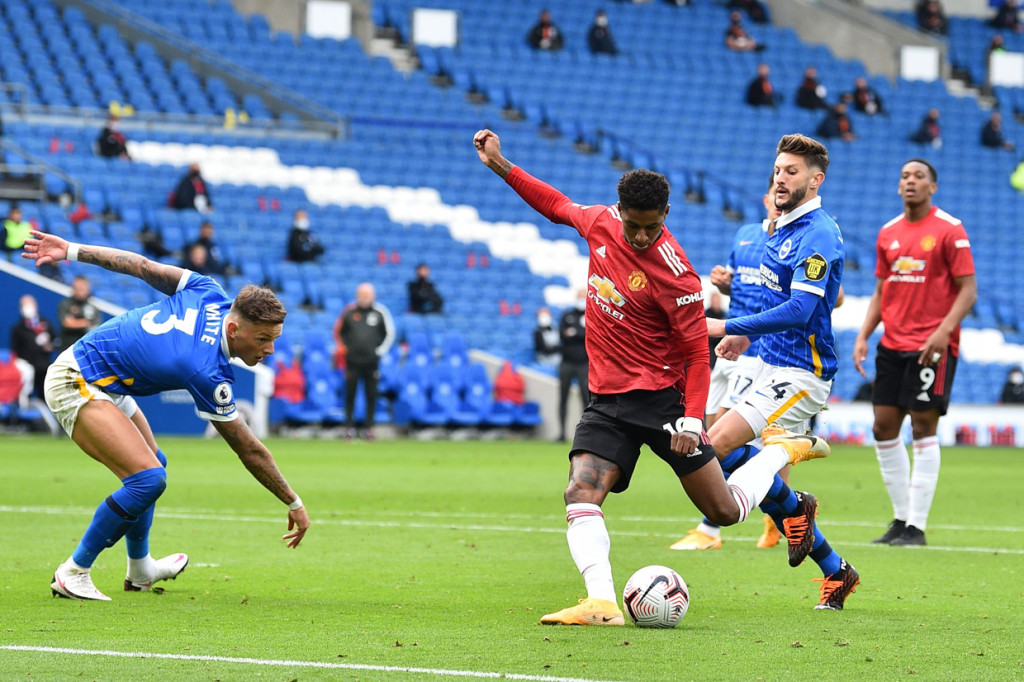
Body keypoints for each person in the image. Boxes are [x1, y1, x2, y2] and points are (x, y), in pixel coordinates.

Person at [474, 127, 832, 625]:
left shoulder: (677, 274)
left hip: (663, 402)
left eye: (651, 227)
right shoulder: (600, 224)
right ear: (619, 213)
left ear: (666, 215)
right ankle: (600, 602)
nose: (641, 237)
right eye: (633, 227)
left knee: (725, 511)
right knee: (580, 491)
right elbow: (554, 203)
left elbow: (694, 353)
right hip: (607, 400)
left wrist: (690, 420)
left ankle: (781, 452)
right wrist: (500, 163)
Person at [20, 230, 309, 601]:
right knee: (148, 479)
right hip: (76, 379)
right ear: (235, 330)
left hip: (104, 379)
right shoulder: (204, 369)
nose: (270, 349)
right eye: (263, 340)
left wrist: (72, 250)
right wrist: (293, 501)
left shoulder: (208, 290)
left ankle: (140, 569)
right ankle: (73, 571)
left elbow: (141, 265)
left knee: (154, 463)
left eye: (274, 340)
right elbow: (249, 449)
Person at [706, 134, 859, 610]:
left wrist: (726, 324)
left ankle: (796, 486)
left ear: (816, 180)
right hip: (771, 364)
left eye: (792, 171)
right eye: (777, 169)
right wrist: (746, 336)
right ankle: (834, 566)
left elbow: (800, 309)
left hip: (803, 375)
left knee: (712, 448)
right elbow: (774, 301)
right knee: (715, 452)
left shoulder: (817, 233)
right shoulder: (779, 228)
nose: (780, 178)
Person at [852, 159, 977, 547]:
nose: (910, 181)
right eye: (905, 176)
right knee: (883, 427)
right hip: (892, 345)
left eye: (919, 176)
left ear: (932, 187)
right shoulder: (888, 233)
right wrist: (864, 334)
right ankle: (899, 519)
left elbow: (968, 289)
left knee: (923, 427)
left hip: (931, 347)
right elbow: (880, 290)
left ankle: (916, 527)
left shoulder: (950, 230)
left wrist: (943, 332)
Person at [676, 178, 778, 552]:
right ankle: (781, 512)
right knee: (710, 431)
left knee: (717, 436)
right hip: (729, 347)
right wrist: (724, 284)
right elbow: (742, 287)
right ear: (767, 197)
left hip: (758, 348)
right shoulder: (746, 235)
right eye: (774, 195)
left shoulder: (793, 241)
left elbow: (828, 297)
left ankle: (710, 529)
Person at [335, 283, 395, 441]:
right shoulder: (349, 312)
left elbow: (389, 334)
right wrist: (345, 349)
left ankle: (369, 428)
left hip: (371, 362)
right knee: (350, 395)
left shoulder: (380, 312)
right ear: (357, 295)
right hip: (352, 362)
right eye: (362, 294)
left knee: (371, 395)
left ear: (373, 296)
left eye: (367, 294)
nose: (365, 297)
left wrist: (379, 351)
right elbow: (339, 333)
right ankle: (348, 428)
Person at [557, 289, 589, 443]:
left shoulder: (590, 314)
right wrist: (580, 333)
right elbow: (562, 335)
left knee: (587, 400)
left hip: (584, 363)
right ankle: (562, 433)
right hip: (567, 363)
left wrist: (574, 333)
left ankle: (587, 434)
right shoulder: (567, 315)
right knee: (563, 397)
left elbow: (590, 334)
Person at [10, 294, 56, 399]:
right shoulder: (17, 329)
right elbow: (15, 351)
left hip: (44, 368)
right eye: (24, 305)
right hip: (27, 368)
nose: (27, 308)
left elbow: (55, 343)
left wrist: (48, 345)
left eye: (29, 304)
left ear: (35, 306)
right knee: (25, 396)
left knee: (46, 397)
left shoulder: (46, 323)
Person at [58, 275, 103, 350]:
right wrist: (86, 322)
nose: (81, 292)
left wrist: (77, 322)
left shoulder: (93, 308)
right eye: (79, 288)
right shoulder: (65, 304)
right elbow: (67, 323)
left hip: (85, 349)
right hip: (67, 347)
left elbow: (96, 328)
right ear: (73, 288)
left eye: (83, 288)